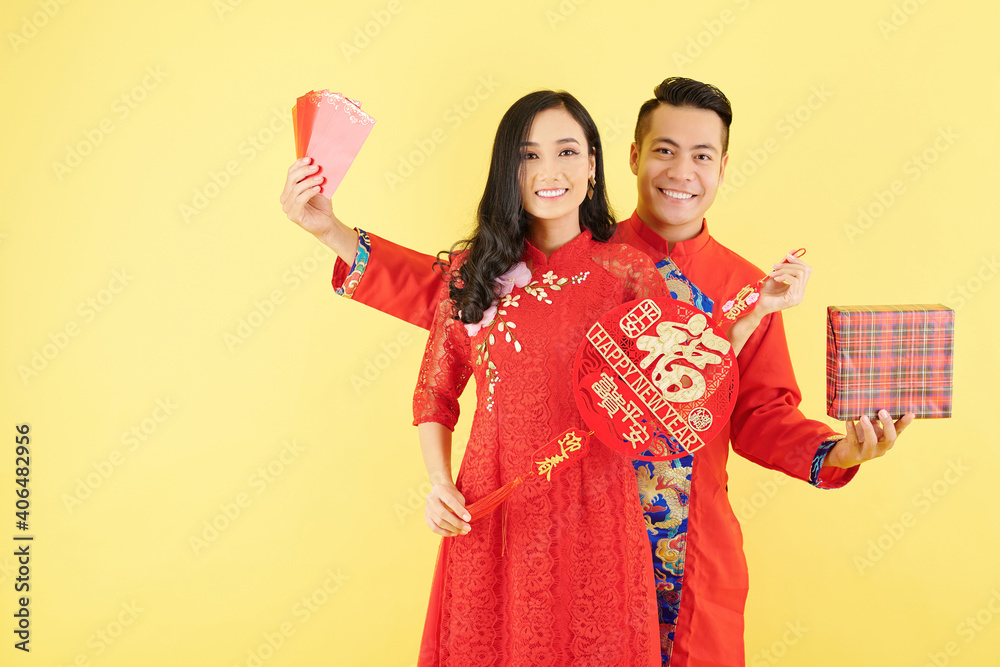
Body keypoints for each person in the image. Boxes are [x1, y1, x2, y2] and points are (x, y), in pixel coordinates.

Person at [280, 79, 912, 666]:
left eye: (702, 155)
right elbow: (456, 298)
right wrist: (332, 231)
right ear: (632, 157)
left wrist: (840, 450)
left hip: (685, 551)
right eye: (665, 150)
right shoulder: (564, 255)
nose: (681, 171)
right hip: (549, 529)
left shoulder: (742, 288)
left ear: (723, 166)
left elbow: (760, 416)